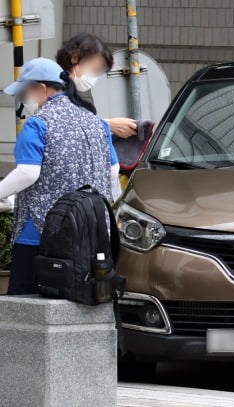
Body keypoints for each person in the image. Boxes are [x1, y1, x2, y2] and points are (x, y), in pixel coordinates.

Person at [1, 57, 119, 295]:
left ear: (41, 89)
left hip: (39, 235)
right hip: (90, 234)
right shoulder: (97, 123)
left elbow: (27, 172)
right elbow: (113, 171)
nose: (24, 100)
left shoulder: (37, 124)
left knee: (25, 308)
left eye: (24, 93)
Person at [56, 33, 138, 139]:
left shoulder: (68, 91)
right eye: (94, 70)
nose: (94, 79)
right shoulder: (51, 88)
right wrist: (106, 124)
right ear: (75, 58)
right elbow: (59, 128)